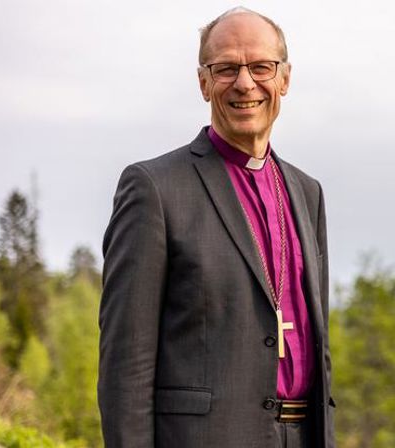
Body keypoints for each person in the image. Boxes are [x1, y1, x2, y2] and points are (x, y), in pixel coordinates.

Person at [98, 7, 334, 448]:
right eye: (225, 68)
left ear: (284, 78)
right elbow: (125, 365)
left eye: (261, 66)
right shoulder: (154, 188)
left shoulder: (308, 192)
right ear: (203, 82)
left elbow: (316, 345)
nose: (245, 83)